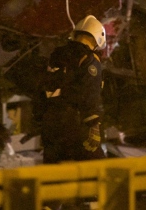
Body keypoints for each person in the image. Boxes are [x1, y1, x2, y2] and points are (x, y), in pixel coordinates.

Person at [35, 15, 105, 164]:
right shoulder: (89, 59)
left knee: (53, 173)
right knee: (99, 168)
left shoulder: (57, 54)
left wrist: (41, 119)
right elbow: (90, 94)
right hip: (74, 123)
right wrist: (94, 126)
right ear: (96, 39)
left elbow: (42, 87)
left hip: (51, 123)